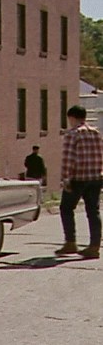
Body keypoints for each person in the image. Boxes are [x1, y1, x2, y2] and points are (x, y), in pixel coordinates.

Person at [55, 105, 103, 259]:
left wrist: (65, 178)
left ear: (71, 117)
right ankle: (94, 246)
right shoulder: (96, 133)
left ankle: (71, 242)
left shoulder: (72, 134)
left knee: (66, 208)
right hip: (95, 177)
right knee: (93, 212)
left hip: (78, 178)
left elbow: (68, 158)